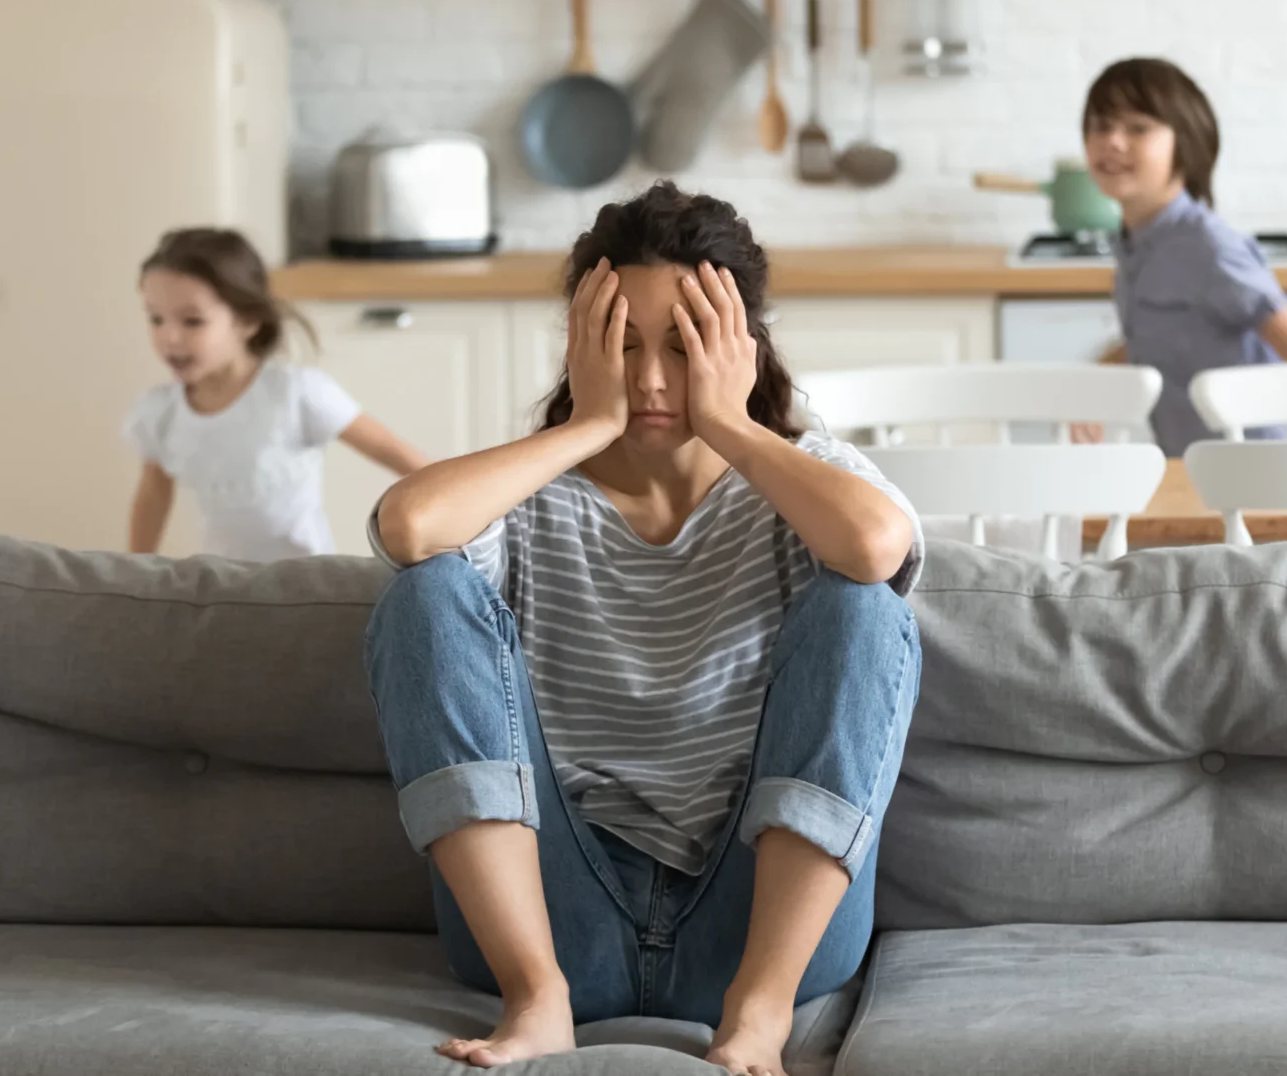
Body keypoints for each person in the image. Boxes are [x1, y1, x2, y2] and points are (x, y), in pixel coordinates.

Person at [362, 183, 924, 1076]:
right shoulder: (529, 499)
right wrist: (588, 426)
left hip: (755, 933)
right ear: (581, 348)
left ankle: (758, 1015)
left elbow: (874, 546)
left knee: (863, 603)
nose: (654, 380)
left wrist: (731, 424)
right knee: (420, 596)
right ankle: (538, 1000)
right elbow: (408, 529)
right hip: (557, 922)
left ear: (742, 346)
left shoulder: (801, 480)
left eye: (686, 346)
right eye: (622, 347)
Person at [1073, 58, 1287, 454]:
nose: (1113, 142)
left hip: (1262, 468)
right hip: (1196, 466)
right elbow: (1160, 336)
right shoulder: (1136, 242)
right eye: (1101, 125)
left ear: (1185, 145)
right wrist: (1093, 388)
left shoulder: (1209, 248)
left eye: (1138, 128)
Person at [124, 227, 428, 560]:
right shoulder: (160, 415)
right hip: (223, 586)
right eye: (156, 319)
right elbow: (152, 497)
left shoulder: (296, 394)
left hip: (306, 587)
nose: (170, 337)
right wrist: (136, 572)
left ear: (248, 320)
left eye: (192, 321)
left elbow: (405, 461)